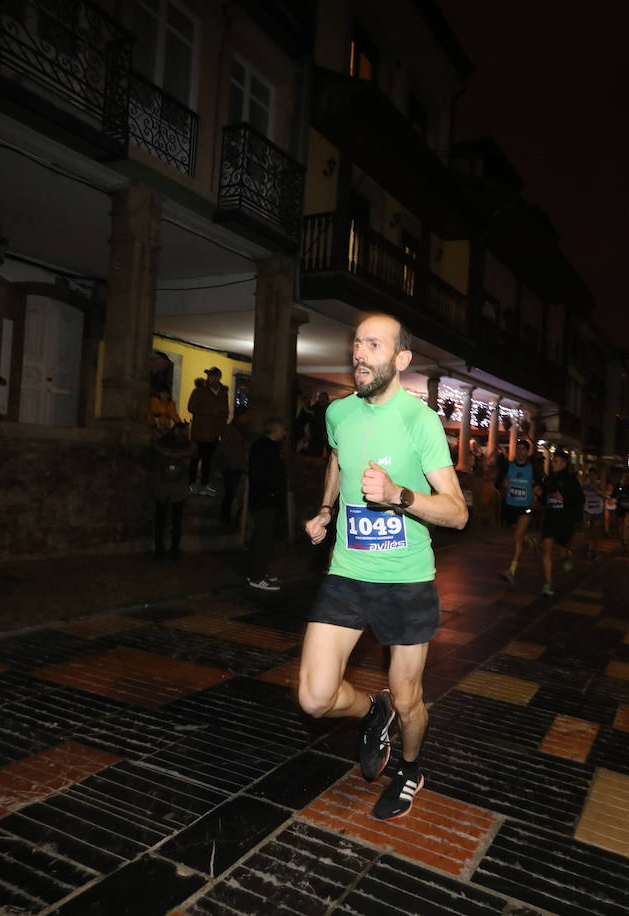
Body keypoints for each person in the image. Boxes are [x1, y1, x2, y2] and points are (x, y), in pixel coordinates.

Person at [299, 313, 467, 821]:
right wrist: (327, 510)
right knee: (314, 697)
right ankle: (372, 711)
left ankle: (411, 768)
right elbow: (337, 459)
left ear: (401, 359)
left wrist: (399, 496)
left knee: (409, 697)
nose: (360, 353)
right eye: (357, 343)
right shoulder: (338, 413)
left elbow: (457, 512)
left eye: (374, 345)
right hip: (347, 571)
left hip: (406, 581)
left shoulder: (421, 422)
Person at [246, 417, 289, 590]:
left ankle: (259, 572)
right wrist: (272, 493)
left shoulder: (265, 447)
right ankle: (257, 576)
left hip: (266, 499)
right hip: (266, 499)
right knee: (262, 538)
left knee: (264, 537)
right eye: (283, 429)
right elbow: (265, 475)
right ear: (276, 430)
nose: (285, 433)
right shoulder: (266, 448)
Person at [539, 450, 583, 596]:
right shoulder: (548, 479)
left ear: (564, 464)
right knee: (546, 550)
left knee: (562, 553)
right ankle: (548, 583)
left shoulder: (571, 480)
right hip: (550, 520)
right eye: (552, 461)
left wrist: (565, 498)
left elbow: (580, 499)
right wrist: (540, 494)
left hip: (565, 521)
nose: (553, 464)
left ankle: (567, 556)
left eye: (556, 461)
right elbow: (544, 500)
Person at [498, 439, 542, 583]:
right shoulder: (508, 466)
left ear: (527, 452)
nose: (520, 451)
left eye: (523, 449)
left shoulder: (532, 469)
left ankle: (512, 570)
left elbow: (541, 486)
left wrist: (537, 492)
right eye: (518, 448)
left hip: (525, 507)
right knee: (518, 534)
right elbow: (498, 482)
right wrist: (503, 483)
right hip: (511, 506)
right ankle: (531, 540)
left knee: (517, 537)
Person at [150, 423, 194, 561]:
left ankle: (159, 551)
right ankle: (174, 551)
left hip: (162, 488)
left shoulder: (161, 444)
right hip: (179, 489)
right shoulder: (187, 447)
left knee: (160, 521)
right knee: (176, 521)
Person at [188, 366, 229, 494]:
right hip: (199, 432)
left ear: (218, 377)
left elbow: (225, 413)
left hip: (213, 434)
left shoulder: (223, 394)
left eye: (213, 375)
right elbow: (191, 408)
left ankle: (205, 484)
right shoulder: (199, 392)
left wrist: (222, 430)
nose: (210, 378)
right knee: (195, 459)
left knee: (208, 461)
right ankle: (191, 483)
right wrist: (209, 412)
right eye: (209, 375)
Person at [217, 409, 249, 529]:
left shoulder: (239, 430)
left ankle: (229, 518)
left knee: (234, 494)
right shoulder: (229, 430)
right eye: (245, 416)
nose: (246, 419)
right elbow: (226, 449)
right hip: (231, 467)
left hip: (237, 466)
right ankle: (225, 518)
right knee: (230, 494)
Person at [610, 471, 629, 547]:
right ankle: (623, 537)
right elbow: (613, 495)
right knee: (622, 525)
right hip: (621, 507)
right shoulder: (619, 485)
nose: (627, 478)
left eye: (628, 476)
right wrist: (618, 496)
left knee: (627, 524)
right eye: (625, 476)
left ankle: (625, 540)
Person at [582, 471, 606, 557]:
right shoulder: (585, 485)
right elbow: (581, 496)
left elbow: (605, 497)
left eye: (594, 476)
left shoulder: (600, 484)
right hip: (587, 509)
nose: (592, 478)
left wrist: (596, 490)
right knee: (586, 527)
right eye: (591, 476)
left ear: (596, 476)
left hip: (597, 510)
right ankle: (589, 545)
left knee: (596, 529)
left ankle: (596, 547)